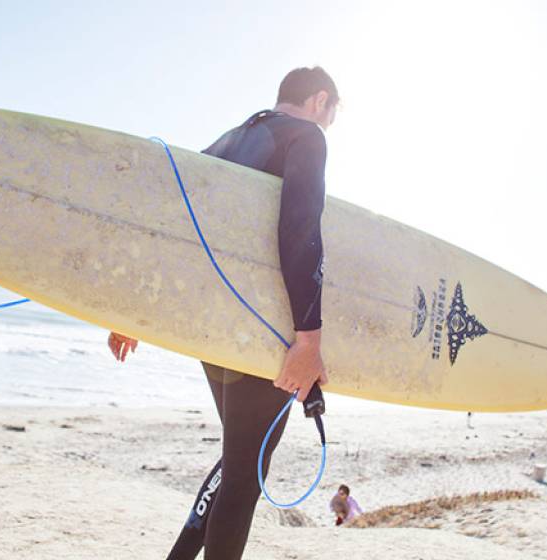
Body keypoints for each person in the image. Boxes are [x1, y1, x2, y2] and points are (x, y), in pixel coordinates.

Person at [107, 66, 338, 560]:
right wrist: (309, 340)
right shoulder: (306, 137)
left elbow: (173, 229)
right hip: (259, 332)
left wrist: (134, 311)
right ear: (319, 100)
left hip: (212, 336)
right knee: (243, 477)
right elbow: (300, 232)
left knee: (238, 461)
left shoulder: (228, 140)